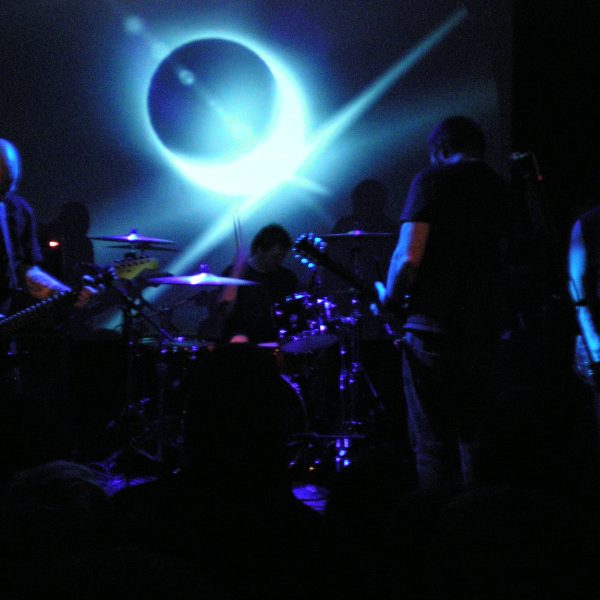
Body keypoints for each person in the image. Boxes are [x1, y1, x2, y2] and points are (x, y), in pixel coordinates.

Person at [380, 116, 512, 491]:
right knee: (478, 441)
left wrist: (390, 299)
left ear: (440, 148)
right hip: (487, 333)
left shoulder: (431, 180)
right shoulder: (501, 188)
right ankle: (478, 520)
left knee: (433, 443)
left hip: (433, 331)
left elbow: (408, 257)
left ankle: (436, 522)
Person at [205, 223, 299, 345]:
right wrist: (237, 271)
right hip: (238, 345)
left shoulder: (287, 278)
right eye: (276, 256)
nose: (280, 261)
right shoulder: (233, 273)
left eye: (283, 256)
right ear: (260, 250)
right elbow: (224, 313)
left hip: (273, 344)